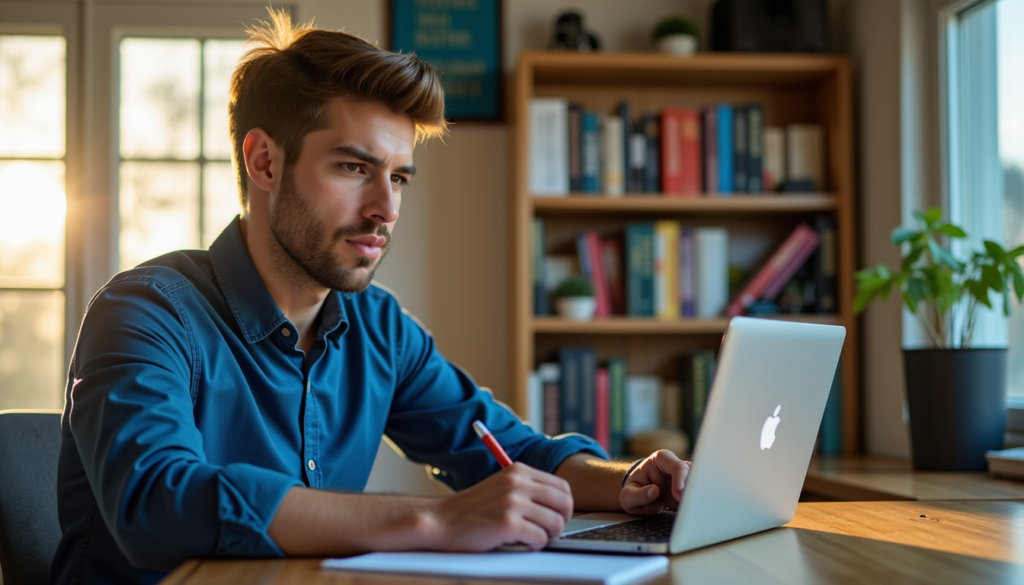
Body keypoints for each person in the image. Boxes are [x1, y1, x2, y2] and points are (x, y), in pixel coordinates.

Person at [51, 10, 691, 584]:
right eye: (354, 167)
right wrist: (434, 522)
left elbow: (510, 452)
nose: (386, 208)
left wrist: (629, 483)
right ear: (265, 162)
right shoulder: (145, 314)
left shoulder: (378, 326)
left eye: (399, 177)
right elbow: (157, 501)